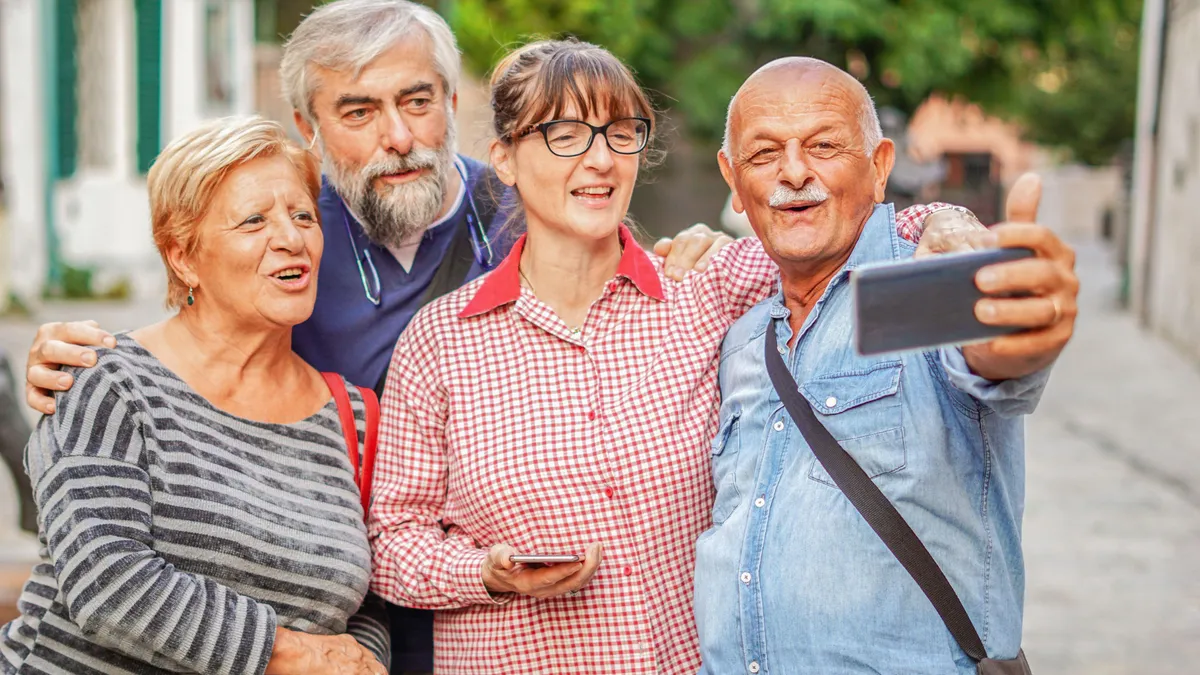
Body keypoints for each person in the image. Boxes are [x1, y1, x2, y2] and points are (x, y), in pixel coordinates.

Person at [19, 2, 737, 671]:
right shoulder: (298, 232)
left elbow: (631, 270)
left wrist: (701, 249)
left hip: (448, 632)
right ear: (307, 126)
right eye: (358, 111)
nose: (397, 137)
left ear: (451, 103)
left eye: (417, 101)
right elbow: (196, 328)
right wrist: (87, 360)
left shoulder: (529, 205)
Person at [364, 39, 964, 674]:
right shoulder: (442, 341)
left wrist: (944, 220)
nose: (601, 160)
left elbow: (848, 234)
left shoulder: (706, 287)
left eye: (621, 133)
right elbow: (393, 544)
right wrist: (488, 573)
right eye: (566, 135)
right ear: (505, 159)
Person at [693, 57, 1079, 674]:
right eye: (763, 154)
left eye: (824, 146)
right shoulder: (739, 338)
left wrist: (1024, 325)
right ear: (733, 181)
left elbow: (995, 354)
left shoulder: (923, 285)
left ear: (878, 167)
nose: (794, 171)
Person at [0, 117, 389, 675]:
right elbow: (106, 582)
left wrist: (364, 662)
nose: (291, 238)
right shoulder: (108, 380)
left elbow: (363, 602)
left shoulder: (353, 417)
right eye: (254, 220)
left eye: (303, 215)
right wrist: (289, 654)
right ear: (183, 257)